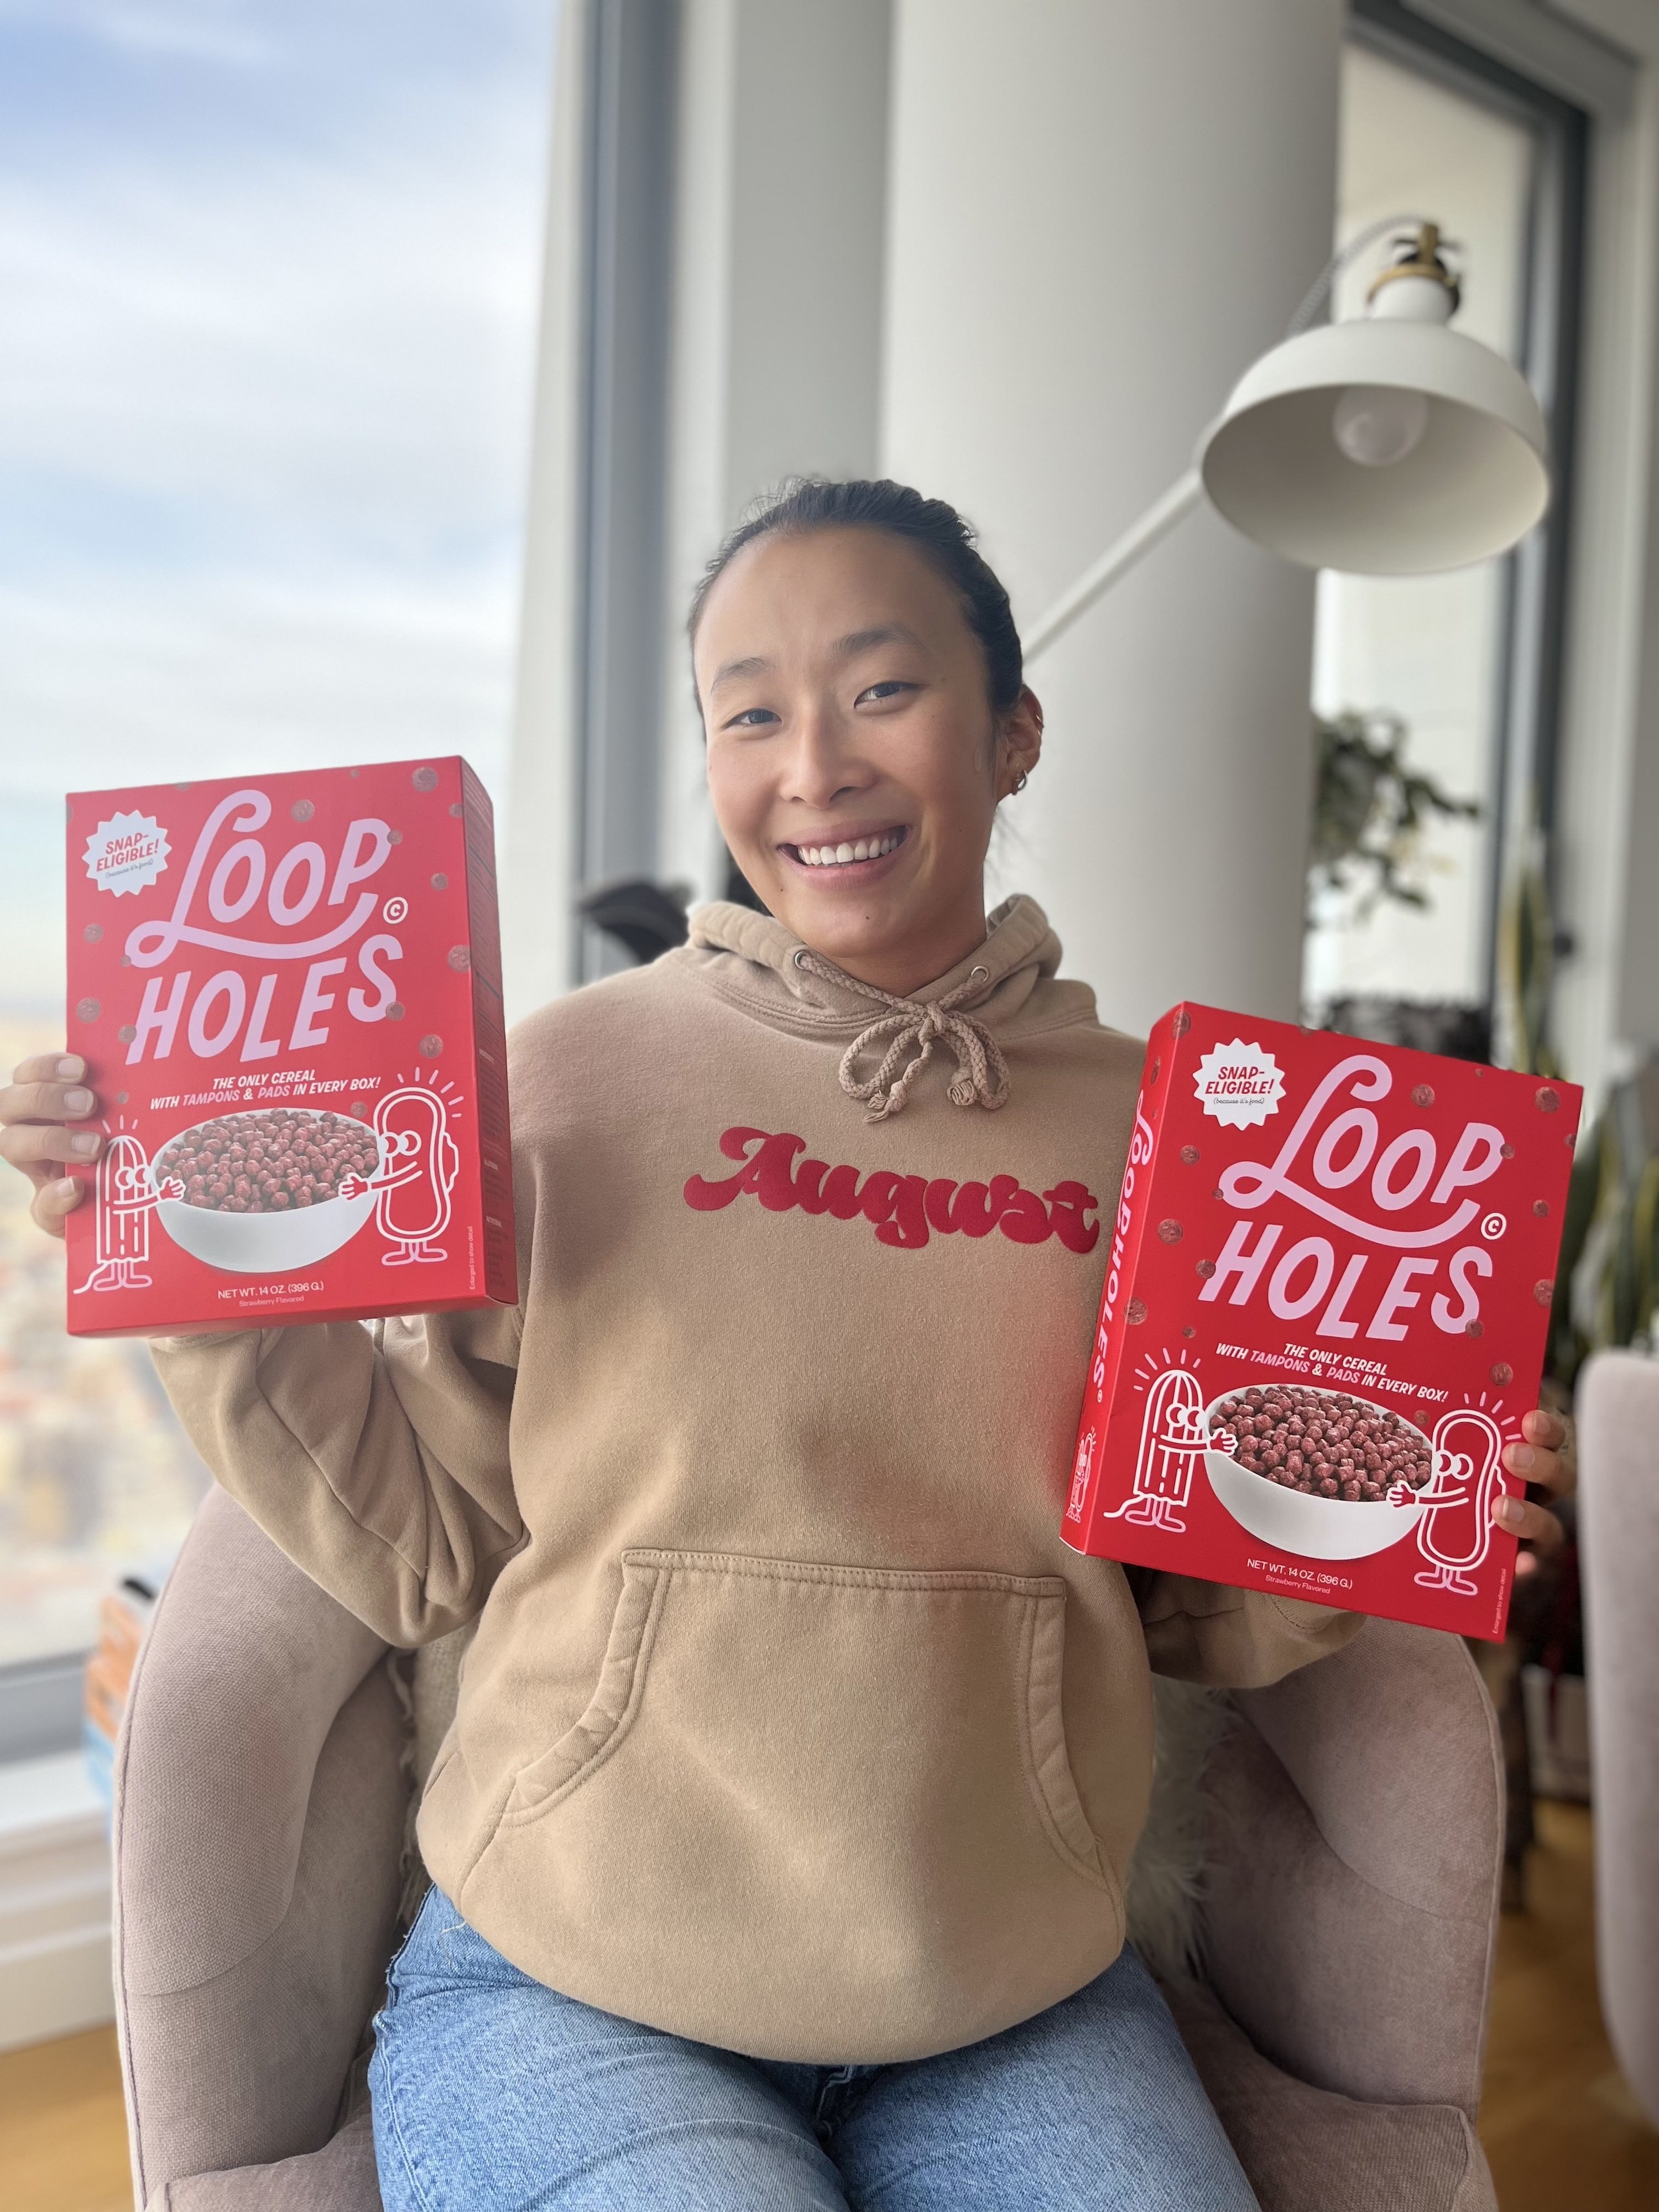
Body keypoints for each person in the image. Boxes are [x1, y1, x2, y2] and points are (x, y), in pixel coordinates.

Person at [2, 479, 1572, 2211]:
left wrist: (1410, 1523)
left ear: (1015, 732)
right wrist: (185, 1266)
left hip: (1015, 1995)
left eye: (881, 689)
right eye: (749, 711)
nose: (810, 763)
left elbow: (1190, 1610)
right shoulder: (562, 1083)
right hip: (568, 1976)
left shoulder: (1181, 1139)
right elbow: (421, 1543)